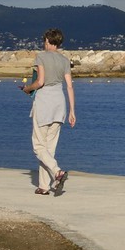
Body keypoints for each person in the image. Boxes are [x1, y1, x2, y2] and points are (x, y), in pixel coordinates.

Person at [20, 28, 76, 195]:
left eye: (44, 41)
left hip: (44, 102)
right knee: (49, 148)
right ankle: (44, 186)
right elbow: (70, 86)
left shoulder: (41, 57)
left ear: (48, 42)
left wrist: (27, 89)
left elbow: (40, 82)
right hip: (60, 103)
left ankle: (57, 172)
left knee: (38, 146)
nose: (43, 44)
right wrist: (73, 111)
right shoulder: (65, 60)